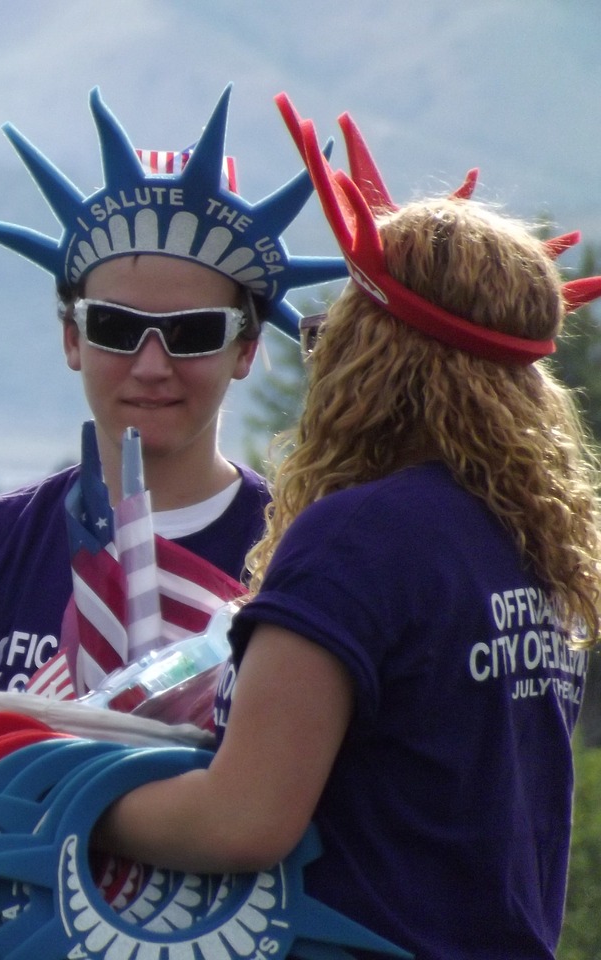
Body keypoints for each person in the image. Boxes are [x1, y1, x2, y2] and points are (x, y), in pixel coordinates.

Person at [95, 95, 601, 958]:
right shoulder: (536, 544)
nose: (319, 356)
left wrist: (52, 791)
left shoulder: (359, 538)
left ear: (377, 353)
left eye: (329, 334)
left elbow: (243, 820)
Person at [0, 85, 345, 697]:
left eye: (195, 332)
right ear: (72, 338)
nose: (152, 365)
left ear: (247, 349)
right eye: (116, 327)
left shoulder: (301, 557)